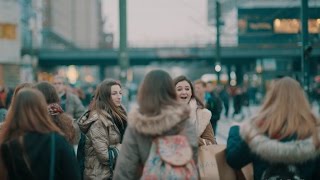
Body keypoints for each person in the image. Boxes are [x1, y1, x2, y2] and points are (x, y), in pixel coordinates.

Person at [226, 77, 320, 179]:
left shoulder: (259, 129)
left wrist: (235, 129)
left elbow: (234, 160)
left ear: (271, 97)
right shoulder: (314, 132)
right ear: (302, 98)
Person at [113, 70, 198, 179]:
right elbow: (193, 155)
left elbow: (124, 170)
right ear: (171, 91)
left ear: (144, 92)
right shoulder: (183, 120)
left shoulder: (137, 126)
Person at [0, 89, 80, 180]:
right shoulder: (57, 140)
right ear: (41, 109)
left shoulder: (7, 143)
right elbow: (73, 175)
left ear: (14, 111)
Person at [78, 79, 127, 180]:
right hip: (100, 176)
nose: (119, 96)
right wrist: (122, 147)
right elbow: (105, 157)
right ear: (106, 96)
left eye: (120, 93)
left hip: (114, 173)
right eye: (114, 93)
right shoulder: (99, 121)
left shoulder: (119, 115)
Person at [175, 76, 215, 145]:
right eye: (179, 89)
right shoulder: (165, 113)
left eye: (187, 89)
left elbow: (211, 143)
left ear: (191, 92)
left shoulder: (203, 114)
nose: (184, 92)